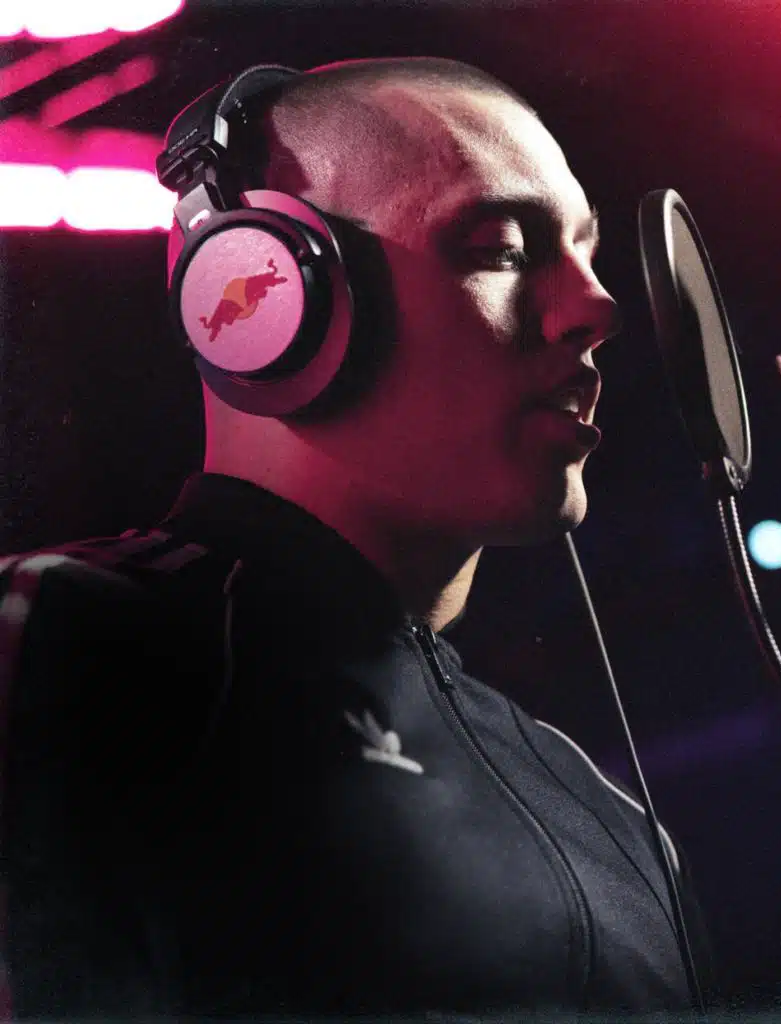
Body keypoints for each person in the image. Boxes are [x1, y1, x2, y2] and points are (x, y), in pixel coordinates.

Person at [0, 57, 711, 1019]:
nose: (599, 308)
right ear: (255, 294)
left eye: (586, 254)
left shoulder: (622, 829)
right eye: (501, 249)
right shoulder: (58, 638)